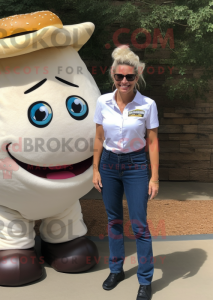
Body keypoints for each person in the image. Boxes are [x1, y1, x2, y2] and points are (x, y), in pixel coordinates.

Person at [92, 45, 159, 300]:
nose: (124, 81)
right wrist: (95, 169)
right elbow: (99, 137)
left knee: (140, 225)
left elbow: (152, 142)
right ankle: (116, 270)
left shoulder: (147, 104)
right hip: (109, 165)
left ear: (137, 76)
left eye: (129, 77)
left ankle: (145, 279)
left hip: (136, 167)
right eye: (119, 76)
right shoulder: (102, 102)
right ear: (113, 75)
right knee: (114, 222)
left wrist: (154, 177)